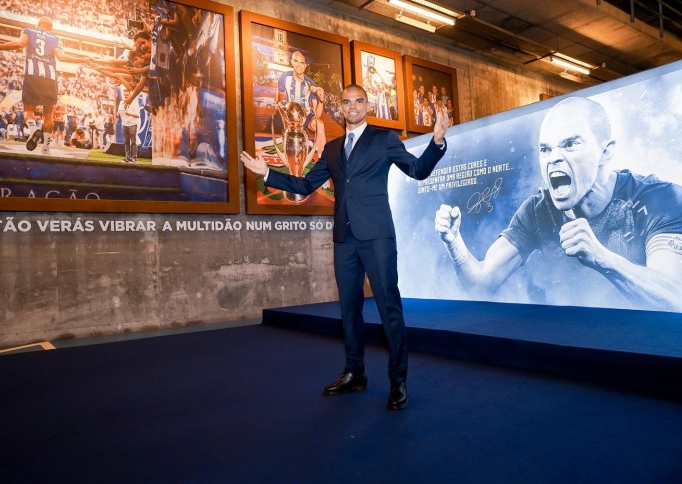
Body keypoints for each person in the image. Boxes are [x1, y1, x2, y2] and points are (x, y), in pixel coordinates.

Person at [242, 84, 449, 410]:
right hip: (345, 239)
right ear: (340, 107)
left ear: (367, 106)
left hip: (377, 236)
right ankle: (355, 373)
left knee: (389, 308)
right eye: (347, 102)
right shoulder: (332, 148)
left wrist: (436, 142)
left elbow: (417, 170)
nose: (353, 106)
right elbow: (306, 185)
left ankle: (398, 380)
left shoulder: (384, 139)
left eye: (359, 101)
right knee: (349, 310)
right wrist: (268, 172)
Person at [435, 96, 682, 312]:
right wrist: (454, 244)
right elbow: (482, 284)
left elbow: (675, 299)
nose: (553, 158)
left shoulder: (658, 199)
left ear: (605, 152)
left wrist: (603, 258)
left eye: (570, 144)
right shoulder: (538, 211)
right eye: (545, 149)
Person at [0, 16, 86, 156]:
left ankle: (32, 129)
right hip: (50, 78)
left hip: (32, 75)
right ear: (51, 28)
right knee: (48, 114)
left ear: (38, 25)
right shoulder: (56, 38)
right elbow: (61, 57)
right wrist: (83, 60)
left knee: (29, 110)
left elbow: (19, 44)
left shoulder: (29, 31)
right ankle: (46, 148)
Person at [275, 50, 326, 154]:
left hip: (305, 117)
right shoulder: (284, 78)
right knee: (291, 149)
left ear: (305, 66)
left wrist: (321, 100)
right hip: (289, 117)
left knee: (320, 125)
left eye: (302, 63)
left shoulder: (311, 84)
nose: (299, 65)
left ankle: (323, 157)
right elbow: (278, 101)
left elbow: (317, 115)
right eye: (296, 61)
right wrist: (285, 121)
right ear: (292, 62)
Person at [118, 94, 141, 163]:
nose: (125, 96)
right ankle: (127, 157)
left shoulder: (135, 103)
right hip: (124, 124)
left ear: (130, 95)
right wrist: (118, 113)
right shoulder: (121, 102)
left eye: (127, 95)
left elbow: (138, 116)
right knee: (126, 142)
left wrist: (129, 114)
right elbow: (119, 111)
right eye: (124, 95)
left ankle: (134, 158)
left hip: (133, 124)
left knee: (133, 142)